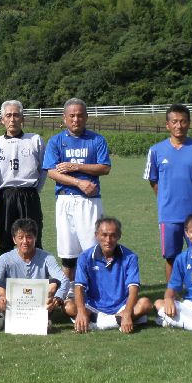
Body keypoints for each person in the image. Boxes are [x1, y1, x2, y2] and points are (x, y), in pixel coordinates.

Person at [143, 104, 192, 281]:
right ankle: (173, 293)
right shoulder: (156, 150)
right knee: (171, 257)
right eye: (174, 121)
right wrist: (164, 198)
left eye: (183, 121)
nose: (179, 125)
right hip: (169, 214)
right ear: (167, 124)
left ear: (189, 123)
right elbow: (152, 179)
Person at [43, 98, 111, 287]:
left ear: (86, 117)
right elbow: (51, 172)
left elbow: (105, 167)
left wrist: (75, 166)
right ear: (64, 118)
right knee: (68, 254)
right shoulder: (56, 141)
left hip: (89, 201)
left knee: (92, 250)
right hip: (64, 199)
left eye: (80, 115)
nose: (76, 119)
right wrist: (78, 182)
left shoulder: (97, 140)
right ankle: (68, 292)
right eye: (72, 115)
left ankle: (95, 290)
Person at [64, 217, 152, 333]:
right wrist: (81, 312)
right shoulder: (85, 257)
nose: (108, 240)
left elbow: (133, 288)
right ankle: (117, 321)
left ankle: (98, 323)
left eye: (113, 235)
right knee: (68, 307)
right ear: (96, 235)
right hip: (93, 308)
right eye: (104, 235)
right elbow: (79, 287)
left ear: (119, 236)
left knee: (145, 304)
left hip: (121, 307)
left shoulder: (130, 257)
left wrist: (127, 313)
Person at [0, 100, 47, 254]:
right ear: (2, 120)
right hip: (5, 197)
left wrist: (34, 190)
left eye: (16, 115)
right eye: (8, 115)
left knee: (33, 241)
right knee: (6, 242)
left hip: (29, 195)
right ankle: (7, 270)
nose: (12, 119)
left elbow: (44, 169)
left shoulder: (35, 140)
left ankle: (35, 270)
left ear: (22, 118)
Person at [0, 218, 69, 317]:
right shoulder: (5, 259)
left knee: (53, 284)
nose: (25, 241)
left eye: (29, 237)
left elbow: (63, 280)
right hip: (13, 303)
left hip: (39, 302)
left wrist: (58, 298)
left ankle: (41, 317)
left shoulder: (47, 257)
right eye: (20, 237)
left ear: (35, 238)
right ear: (14, 239)